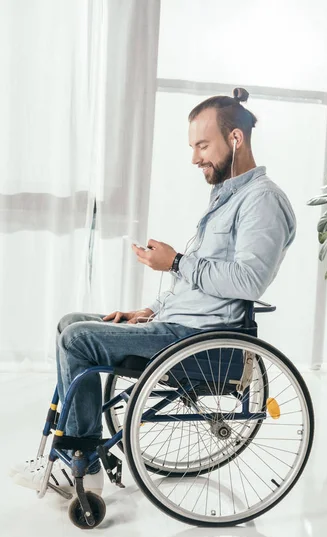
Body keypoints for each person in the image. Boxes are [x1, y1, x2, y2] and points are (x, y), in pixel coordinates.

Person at [11, 87, 296, 495]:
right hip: (176, 325)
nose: (195, 157)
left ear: (235, 139)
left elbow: (249, 280)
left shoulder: (261, 201)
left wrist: (176, 262)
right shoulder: (226, 197)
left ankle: (83, 461)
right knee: (70, 322)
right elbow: (195, 288)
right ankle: (75, 451)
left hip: (201, 341)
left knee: (78, 340)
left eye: (202, 145)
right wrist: (149, 310)